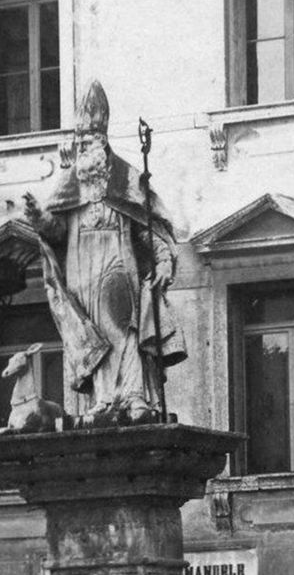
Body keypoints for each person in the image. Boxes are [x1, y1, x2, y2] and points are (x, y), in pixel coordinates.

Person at [16, 79, 184, 426]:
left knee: (124, 330)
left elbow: (146, 227)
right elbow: (57, 231)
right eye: (80, 142)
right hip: (81, 274)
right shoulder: (70, 185)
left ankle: (135, 396)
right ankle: (104, 399)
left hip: (117, 266)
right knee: (95, 336)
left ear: (104, 142)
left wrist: (164, 259)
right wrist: (39, 218)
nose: (85, 148)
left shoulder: (125, 181)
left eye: (90, 141)